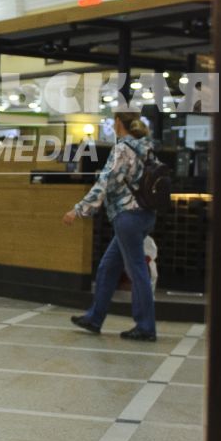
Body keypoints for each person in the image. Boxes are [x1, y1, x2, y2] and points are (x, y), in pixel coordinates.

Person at [63, 112, 160, 341]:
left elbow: (104, 183)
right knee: (108, 267)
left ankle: (146, 327)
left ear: (118, 123)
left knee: (137, 272)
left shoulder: (122, 149)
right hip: (145, 214)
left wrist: (78, 210)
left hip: (127, 216)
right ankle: (94, 318)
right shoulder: (147, 147)